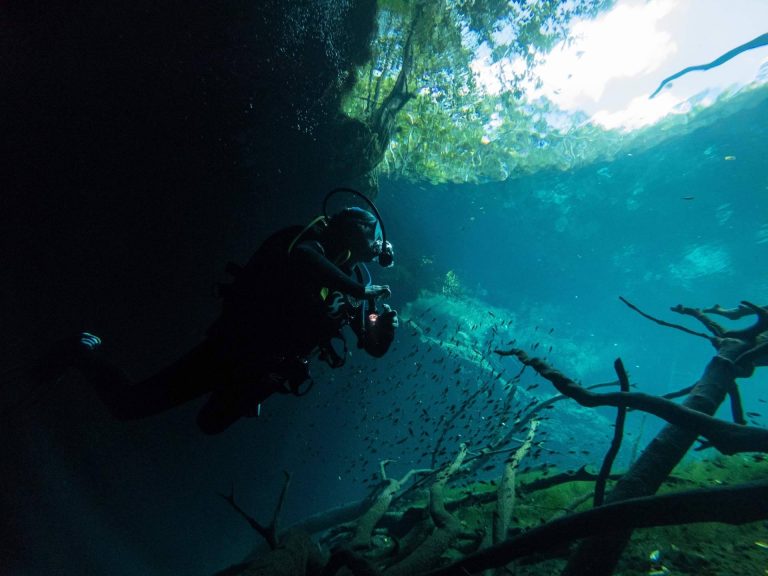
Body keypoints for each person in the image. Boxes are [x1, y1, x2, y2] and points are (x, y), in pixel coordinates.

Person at [61, 204, 399, 434]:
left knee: (210, 424)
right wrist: (361, 292)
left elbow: (370, 344)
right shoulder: (305, 241)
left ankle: (240, 399)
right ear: (354, 232)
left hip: (262, 370)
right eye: (375, 236)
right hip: (232, 348)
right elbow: (302, 258)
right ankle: (82, 352)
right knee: (128, 406)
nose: (381, 245)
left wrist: (383, 332)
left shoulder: (355, 278)